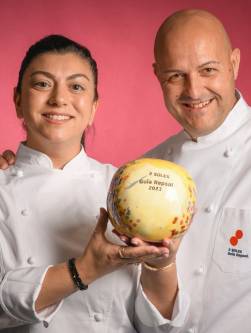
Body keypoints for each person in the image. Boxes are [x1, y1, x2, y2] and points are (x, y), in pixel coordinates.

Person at [0, 34, 183, 332]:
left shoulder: (127, 189)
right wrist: (84, 270)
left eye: (76, 86)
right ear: (18, 100)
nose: (59, 99)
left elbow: (157, 326)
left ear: (94, 107)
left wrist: (161, 263)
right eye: (42, 83)